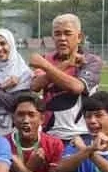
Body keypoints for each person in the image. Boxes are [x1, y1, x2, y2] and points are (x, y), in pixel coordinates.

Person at [29, 14, 103, 145]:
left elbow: (77, 87)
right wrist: (66, 64)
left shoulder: (91, 60)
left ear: (79, 37)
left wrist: (46, 66)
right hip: (49, 134)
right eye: (57, 34)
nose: (62, 38)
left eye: (67, 33)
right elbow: (35, 85)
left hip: (81, 135)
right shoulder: (46, 58)